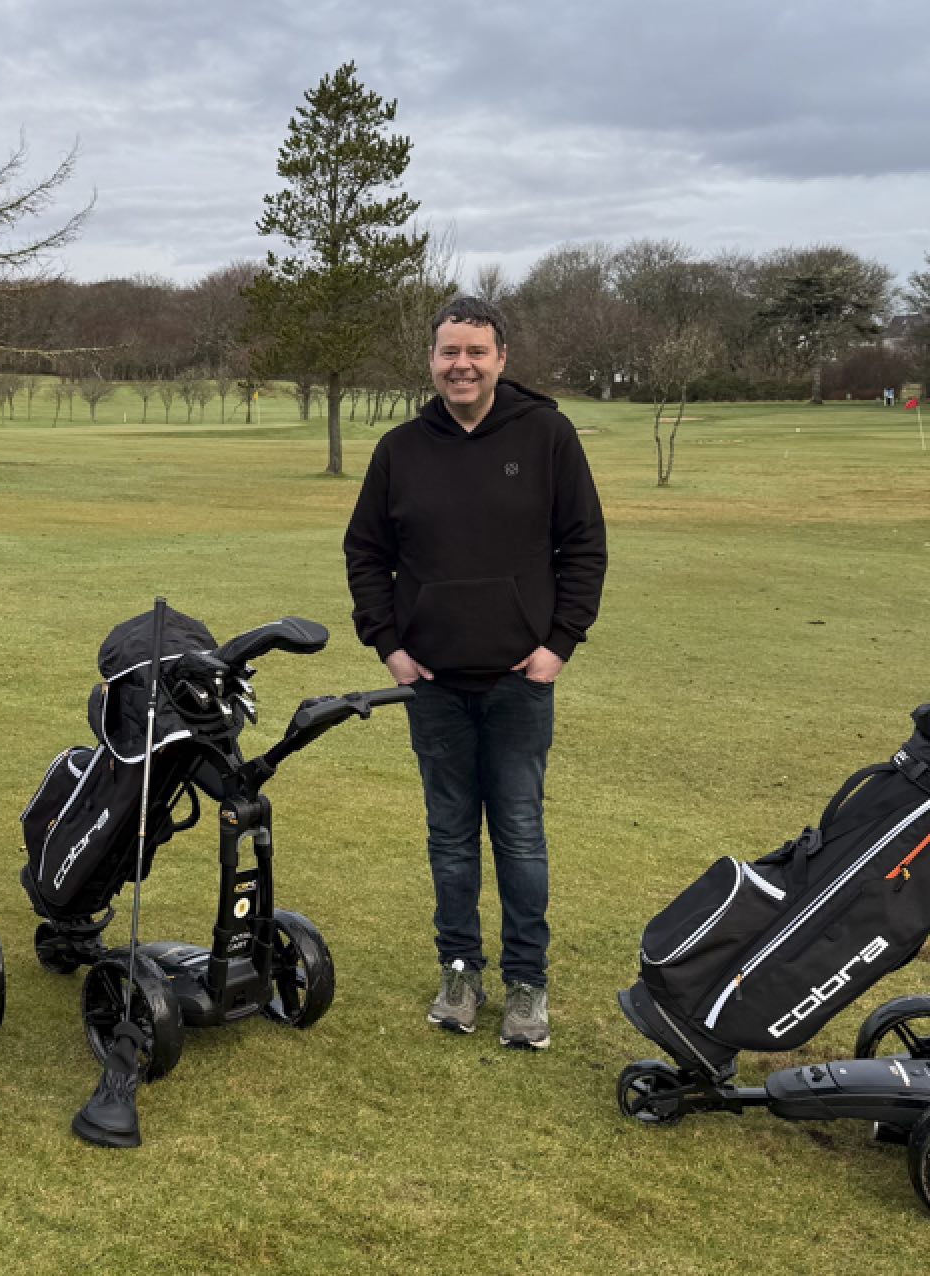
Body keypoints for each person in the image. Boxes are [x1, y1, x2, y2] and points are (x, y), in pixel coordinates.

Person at [342, 295, 607, 1050]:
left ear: (501, 360)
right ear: (431, 362)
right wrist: (389, 645)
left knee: (520, 835)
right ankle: (459, 969)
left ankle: (528, 984)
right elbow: (365, 553)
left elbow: (583, 548)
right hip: (432, 684)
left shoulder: (548, 435)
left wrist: (558, 645)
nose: (462, 365)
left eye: (476, 353)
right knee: (450, 837)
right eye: (449, 352)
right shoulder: (400, 449)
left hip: (520, 683)